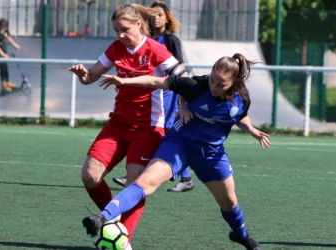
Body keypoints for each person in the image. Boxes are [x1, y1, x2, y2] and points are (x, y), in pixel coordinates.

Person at [83, 53, 270, 249]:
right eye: (212, 79)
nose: (213, 86)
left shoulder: (242, 99)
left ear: (234, 83)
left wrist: (251, 129)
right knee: (145, 183)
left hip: (211, 153)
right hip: (180, 144)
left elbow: (239, 116)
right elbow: (156, 80)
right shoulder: (196, 85)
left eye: (220, 84)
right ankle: (103, 217)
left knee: (229, 202)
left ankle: (241, 235)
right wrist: (124, 80)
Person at [68, 3, 187, 246]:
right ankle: (112, 220)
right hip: (118, 124)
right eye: (116, 30)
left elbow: (183, 77)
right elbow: (91, 76)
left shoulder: (155, 49)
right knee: (90, 176)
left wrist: (183, 105)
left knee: (135, 185)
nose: (120, 35)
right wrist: (84, 75)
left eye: (124, 29)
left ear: (139, 25)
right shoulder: (115, 48)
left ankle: (123, 240)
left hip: (148, 127)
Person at [112, 0, 195, 193]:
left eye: (160, 14)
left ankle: (182, 176)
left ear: (167, 18)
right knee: (161, 134)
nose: (156, 18)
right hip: (153, 94)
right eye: (153, 14)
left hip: (169, 94)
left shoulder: (170, 39)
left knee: (166, 133)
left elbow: (179, 70)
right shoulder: (146, 39)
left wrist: (183, 103)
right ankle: (182, 177)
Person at [0, 18, 21, 93]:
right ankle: (3, 84)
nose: (5, 28)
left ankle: (7, 82)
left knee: (5, 67)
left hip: (3, 51)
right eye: (4, 26)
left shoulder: (5, 32)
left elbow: (9, 38)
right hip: (0, 52)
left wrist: (15, 45)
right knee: (2, 67)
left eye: (6, 26)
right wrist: (3, 54)